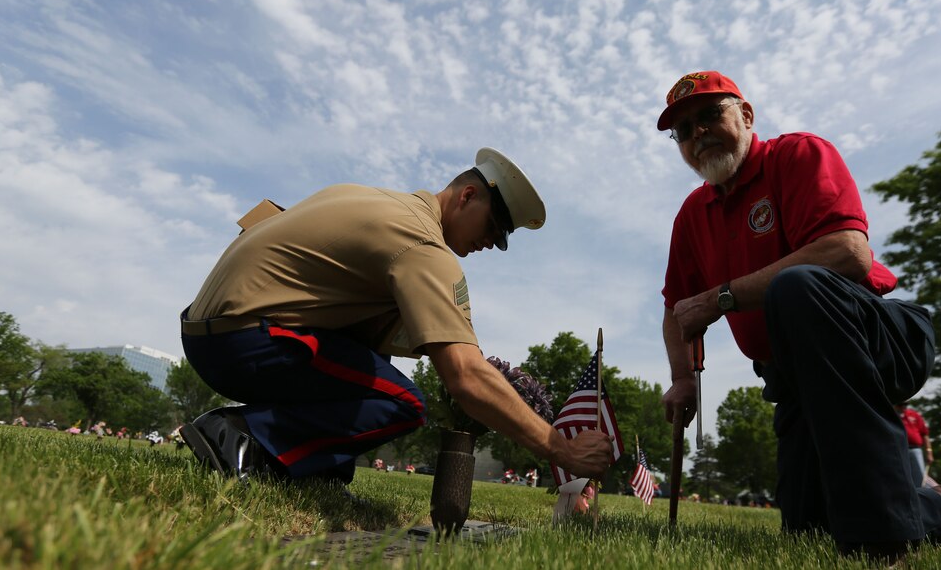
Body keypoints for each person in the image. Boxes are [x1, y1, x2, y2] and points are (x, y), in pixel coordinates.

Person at [656, 71, 941, 562]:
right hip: (793, 376)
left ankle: (882, 543)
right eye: (684, 130)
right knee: (812, 533)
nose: (698, 135)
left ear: (747, 115)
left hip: (872, 338)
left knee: (797, 287)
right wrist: (682, 379)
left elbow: (847, 252)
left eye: (711, 116)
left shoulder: (798, 154)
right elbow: (676, 308)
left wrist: (721, 298)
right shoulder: (693, 215)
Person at [178, 147, 614, 493]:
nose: (492, 243)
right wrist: (561, 448)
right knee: (401, 403)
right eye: (494, 225)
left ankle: (321, 473)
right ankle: (240, 435)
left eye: (502, 238)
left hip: (210, 330)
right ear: (467, 196)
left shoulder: (370, 198)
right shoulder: (422, 244)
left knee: (375, 356)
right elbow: (467, 377)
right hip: (242, 340)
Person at [896, 401, 933, 487]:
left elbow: (925, 434)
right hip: (899, 450)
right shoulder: (890, 415)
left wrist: (929, 452)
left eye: (905, 404)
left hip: (915, 449)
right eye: (901, 404)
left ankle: (922, 495)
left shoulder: (914, 414)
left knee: (920, 477)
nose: (903, 406)